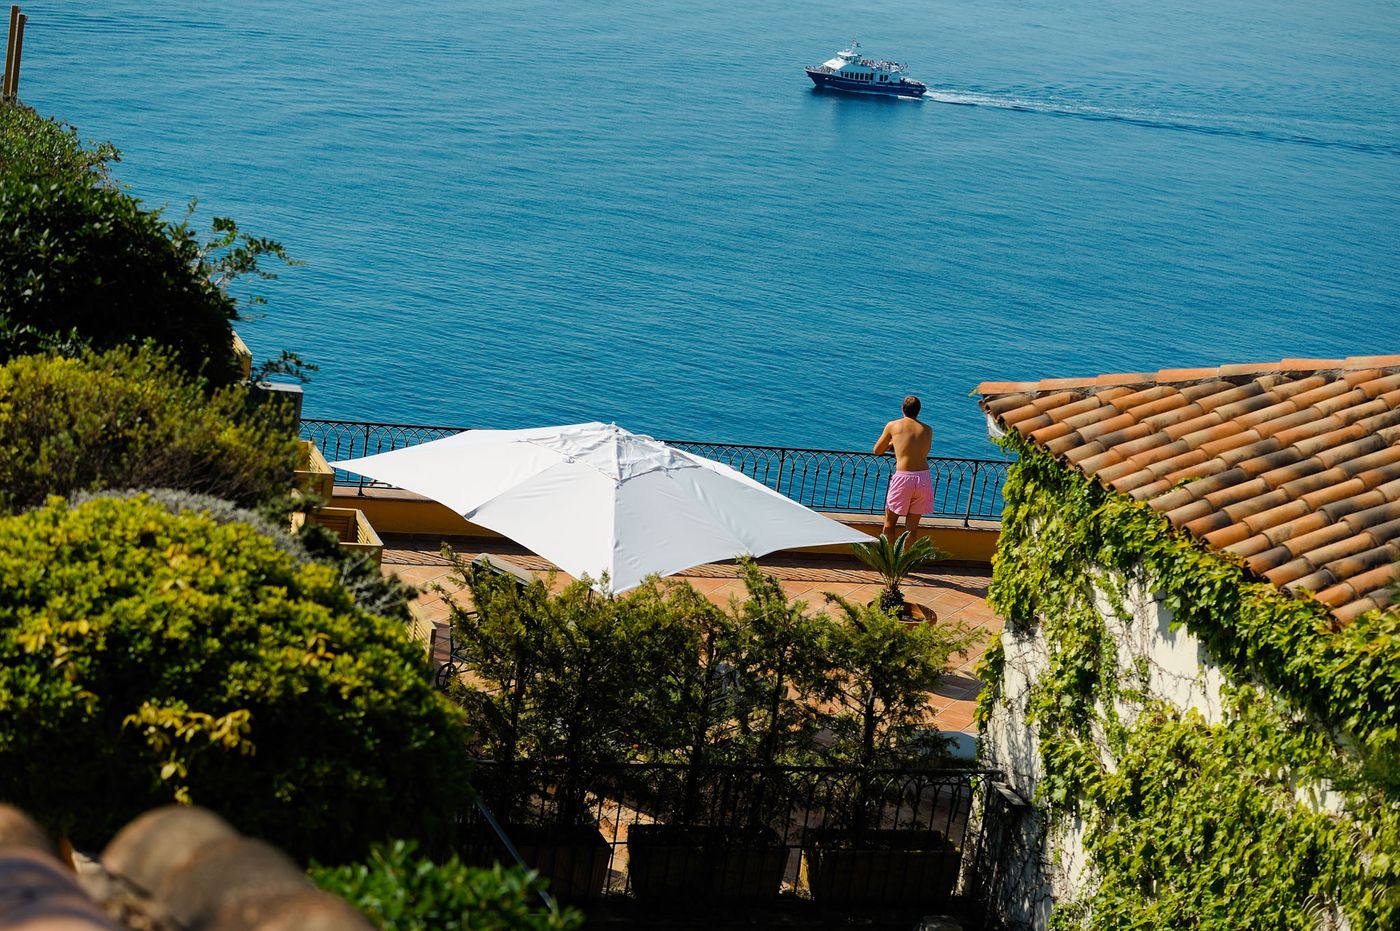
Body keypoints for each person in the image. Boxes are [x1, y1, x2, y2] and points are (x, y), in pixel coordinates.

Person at [874, 395, 934, 540]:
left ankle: (889, 561)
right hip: (924, 478)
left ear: (902, 408)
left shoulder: (893, 426)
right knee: (911, 529)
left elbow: (877, 450)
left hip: (904, 478)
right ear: (919, 411)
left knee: (889, 524)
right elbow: (922, 450)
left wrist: (893, 446)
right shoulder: (927, 430)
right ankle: (907, 562)